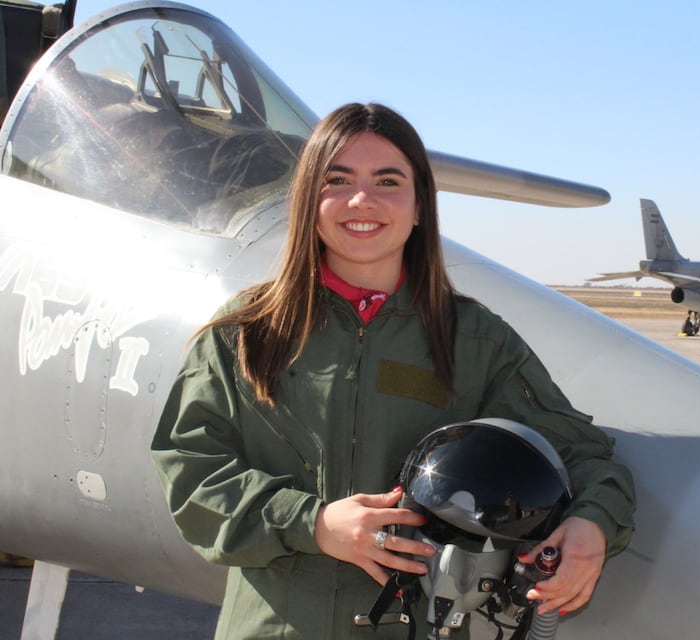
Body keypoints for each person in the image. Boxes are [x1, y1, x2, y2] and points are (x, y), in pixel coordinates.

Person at [151, 102, 636, 639]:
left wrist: (592, 525)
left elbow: (582, 454)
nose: (363, 200)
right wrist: (313, 524)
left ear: (420, 206)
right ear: (308, 200)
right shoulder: (247, 331)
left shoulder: (472, 341)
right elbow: (190, 467)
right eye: (338, 180)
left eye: (388, 180)